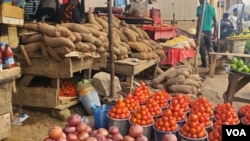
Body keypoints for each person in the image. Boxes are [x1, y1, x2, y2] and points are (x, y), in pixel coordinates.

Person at [196, 0, 217, 68]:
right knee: (209, 47)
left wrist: (198, 31)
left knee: (202, 48)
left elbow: (199, 20)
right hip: (209, 31)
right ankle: (212, 63)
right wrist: (215, 32)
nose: (199, 1)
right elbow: (215, 21)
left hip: (202, 31)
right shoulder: (212, 8)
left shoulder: (200, 7)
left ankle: (204, 63)